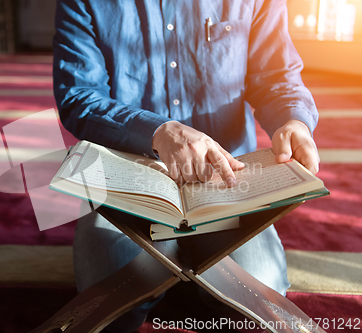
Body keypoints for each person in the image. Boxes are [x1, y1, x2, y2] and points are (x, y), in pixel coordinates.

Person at [52, 0, 320, 331]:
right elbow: (79, 96)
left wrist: (294, 120)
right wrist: (156, 131)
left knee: (261, 303)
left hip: (228, 179)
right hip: (129, 177)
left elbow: (276, 76)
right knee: (108, 304)